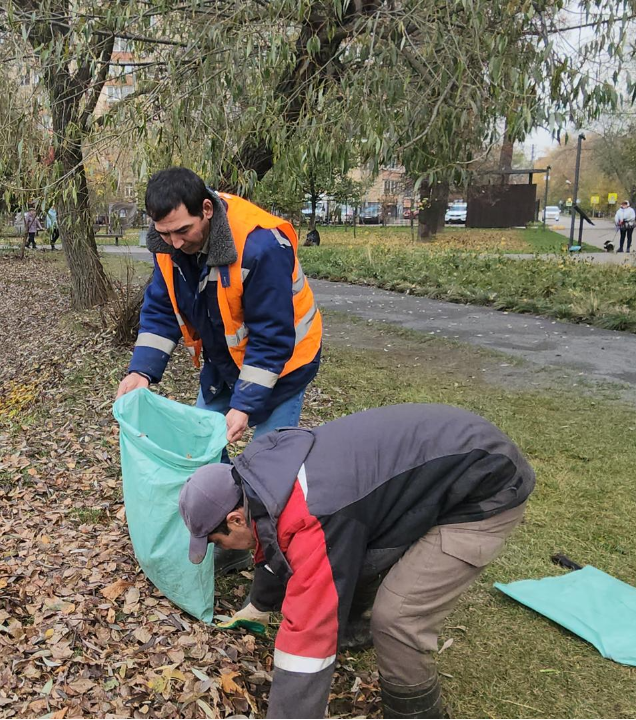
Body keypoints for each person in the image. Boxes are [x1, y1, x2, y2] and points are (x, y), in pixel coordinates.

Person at [179, 403, 535, 720]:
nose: (219, 548)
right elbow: (271, 544)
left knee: (397, 619)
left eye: (216, 540)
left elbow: (308, 635)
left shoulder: (313, 515)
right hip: (440, 463)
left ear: (235, 520)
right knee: (350, 562)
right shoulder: (263, 480)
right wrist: (260, 604)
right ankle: (350, 628)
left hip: (485, 484)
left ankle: (416, 710)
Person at [116, 167, 322, 445]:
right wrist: (142, 370)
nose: (175, 243)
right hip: (224, 363)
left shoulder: (261, 248)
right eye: (164, 232)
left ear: (207, 209)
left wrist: (244, 405)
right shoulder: (167, 246)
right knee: (200, 446)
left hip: (286, 364)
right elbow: (163, 309)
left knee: (269, 463)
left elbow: (271, 337)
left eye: (183, 230)